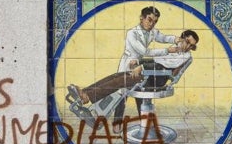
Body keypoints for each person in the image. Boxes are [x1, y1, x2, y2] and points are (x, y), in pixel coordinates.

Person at [71, 30, 199, 125]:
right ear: (181, 38)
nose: (188, 47)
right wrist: (139, 62)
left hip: (155, 79)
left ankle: (87, 97)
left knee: (119, 81)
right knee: (116, 76)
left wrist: (142, 67)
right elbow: (156, 59)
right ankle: (85, 93)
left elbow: (162, 67)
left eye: (191, 46)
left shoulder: (184, 56)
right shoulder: (175, 50)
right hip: (149, 75)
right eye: (187, 42)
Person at [113, 7, 191, 123]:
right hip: (128, 63)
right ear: (141, 18)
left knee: (140, 93)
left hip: (139, 64)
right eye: (149, 20)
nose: (151, 24)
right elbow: (145, 52)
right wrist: (167, 51)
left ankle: (143, 122)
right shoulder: (132, 33)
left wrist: (175, 39)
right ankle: (117, 122)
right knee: (122, 94)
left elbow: (163, 38)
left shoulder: (153, 32)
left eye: (155, 22)